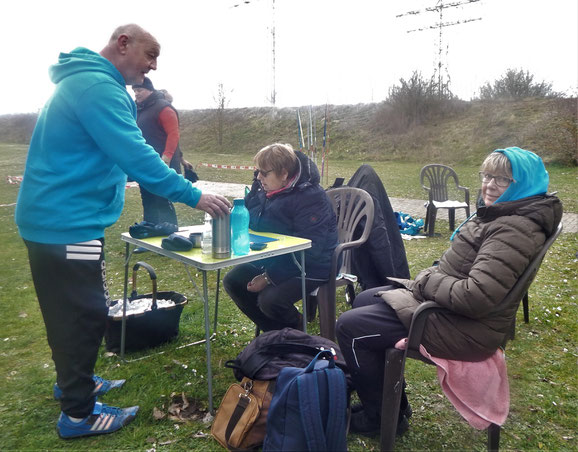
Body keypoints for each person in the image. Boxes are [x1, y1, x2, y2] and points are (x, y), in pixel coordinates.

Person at [14, 24, 231, 439]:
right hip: (65, 224)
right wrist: (192, 194)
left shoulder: (87, 82)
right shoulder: (99, 87)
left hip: (67, 220)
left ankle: (76, 382)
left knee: (80, 308)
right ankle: (78, 413)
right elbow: (135, 153)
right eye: (150, 55)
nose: (152, 67)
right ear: (123, 44)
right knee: (81, 314)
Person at [336, 147, 562, 437]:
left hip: (467, 327)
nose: (490, 184)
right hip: (451, 311)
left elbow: (476, 296)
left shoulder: (513, 228)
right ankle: (393, 406)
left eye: (503, 180)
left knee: (349, 327)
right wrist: (431, 278)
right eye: (488, 175)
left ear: (525, 185)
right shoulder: (505, 214)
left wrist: (427, 281)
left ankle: (379, 419)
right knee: (366, 297)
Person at [223, 143, 338, 332]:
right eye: (257, 172)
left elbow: (310, 249)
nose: (259, 177)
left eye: (264, 173)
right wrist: (229, 213)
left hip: (314, 265)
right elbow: (248, 214)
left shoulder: (311, 198)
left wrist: (269, 277)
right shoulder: (265, 189)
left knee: (270, 300)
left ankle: (296, 328)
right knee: (234, 280)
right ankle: (275, 333)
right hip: (277, 258)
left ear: (284, 174)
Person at [132, 77, 182, 227]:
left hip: (161, 163)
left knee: (161, 197)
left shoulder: (163, 108)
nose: (136, 94)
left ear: (149, 90)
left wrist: (165, 159)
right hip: (145, 162)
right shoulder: (139, 109)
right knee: (147, 197)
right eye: (134, 91)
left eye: (139, 90)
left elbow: (174, 134)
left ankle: (170, 231)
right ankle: (149, 229)